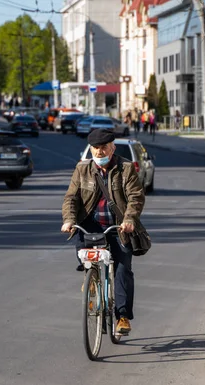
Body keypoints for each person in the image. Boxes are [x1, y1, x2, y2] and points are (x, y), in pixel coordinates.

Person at [61, 129, 145, 335]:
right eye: (96, 148)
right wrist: (69, 220)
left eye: (104, 148)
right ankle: (91, 280)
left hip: (118, 226)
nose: (99, 152)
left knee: (123, 269)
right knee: (84, 254)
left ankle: (122, 316)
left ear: (112, 147)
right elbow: (71, 198)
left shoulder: (125, 168)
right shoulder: (82, 169)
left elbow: (135, 197)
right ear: (91, 149)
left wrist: (129, 219)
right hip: (89, 225)